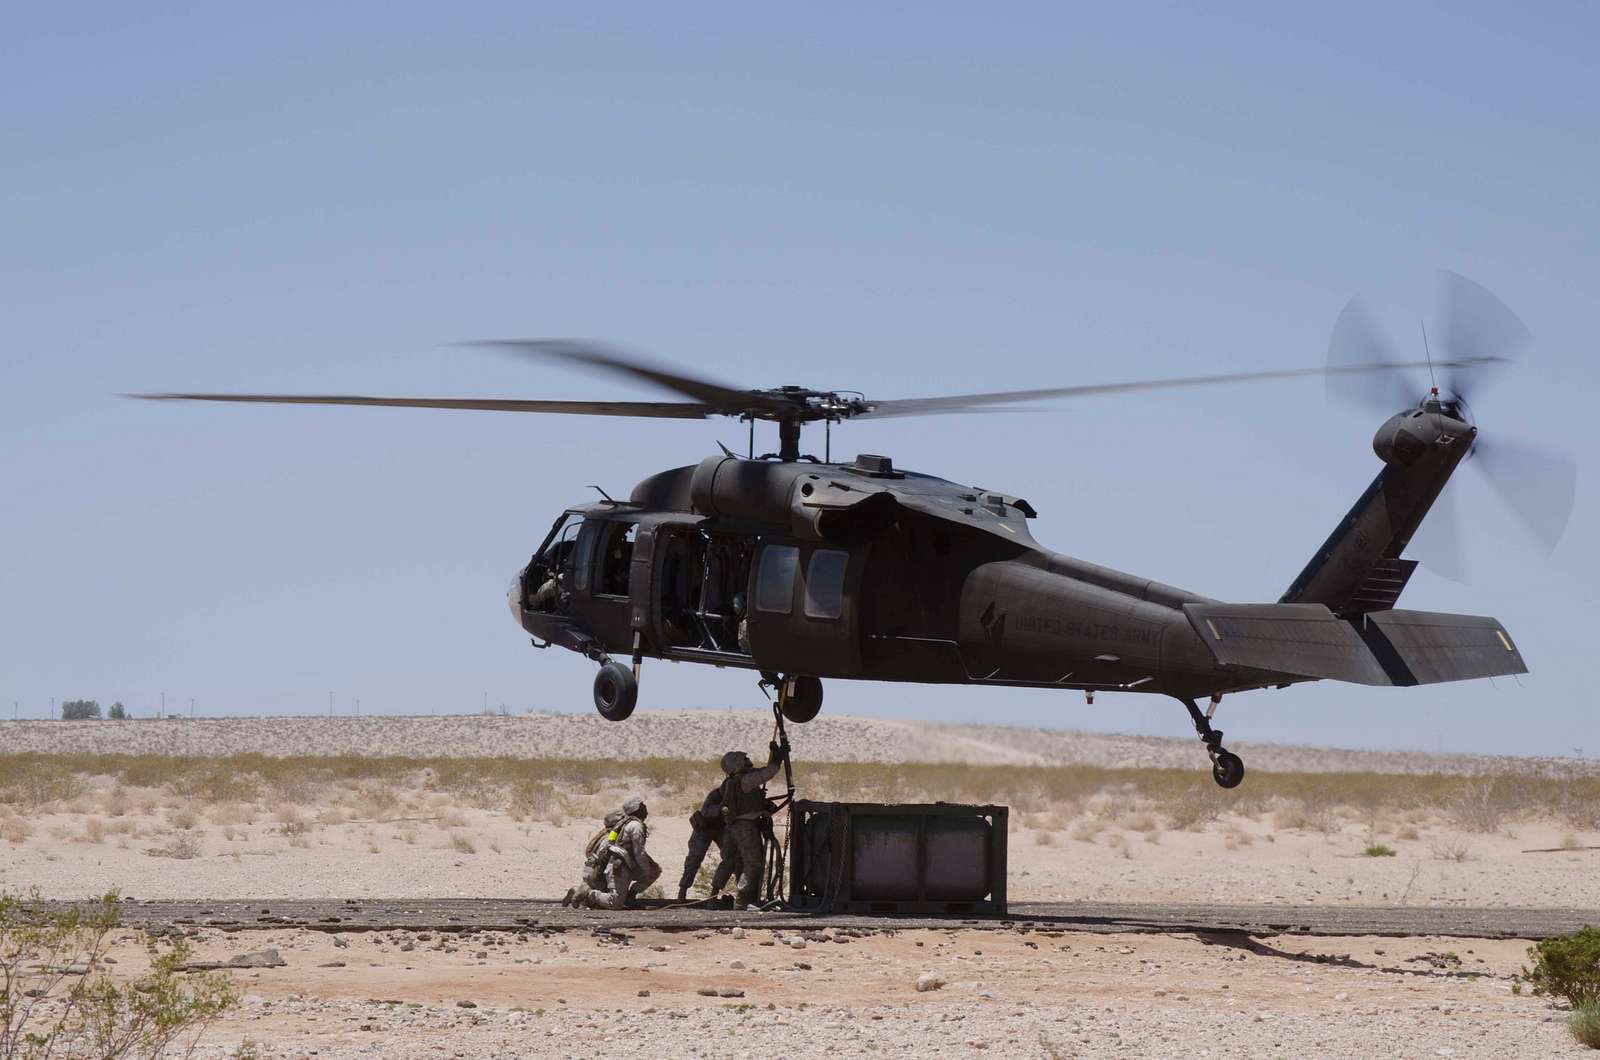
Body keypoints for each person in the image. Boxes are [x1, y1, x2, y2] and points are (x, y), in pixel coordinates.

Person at [719, 742, 787, 911]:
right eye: (745, 759)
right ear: (738, 764)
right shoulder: (746, 780)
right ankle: (742, 902)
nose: (749, 761)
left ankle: (725, 895)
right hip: (746, 827)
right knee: (753, 863)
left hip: (735, 827)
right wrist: (778, 758)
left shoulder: (732, 781)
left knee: (735, 862)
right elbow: (769, 772)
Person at [577, 795, 660, 910]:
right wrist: (646, 869)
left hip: (624, 864)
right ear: (636, 809)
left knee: (654, 870)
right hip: (620, 867)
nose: (645, 808)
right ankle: (588, 894)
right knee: (614, 903)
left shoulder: (623, 824)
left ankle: (630, 897)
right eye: (642, 806)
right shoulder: (635, 826)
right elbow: (639, 853)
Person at [676, 785, 741, 901]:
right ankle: (683, 891)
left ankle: (714, 894)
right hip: (705, 828)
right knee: (694, 859)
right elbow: (706, 811)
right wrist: (723, 808)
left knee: (731, 858)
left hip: (722, 829)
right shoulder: (717, 794)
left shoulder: (740, 793)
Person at [562, 809, 624, 908]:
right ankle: (578, 894)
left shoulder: (604, 834)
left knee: (594, 891)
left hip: (590, 867)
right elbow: (604, 854)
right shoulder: (612, 836)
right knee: (600, 899)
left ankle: (577, 891)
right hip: (597, 870)